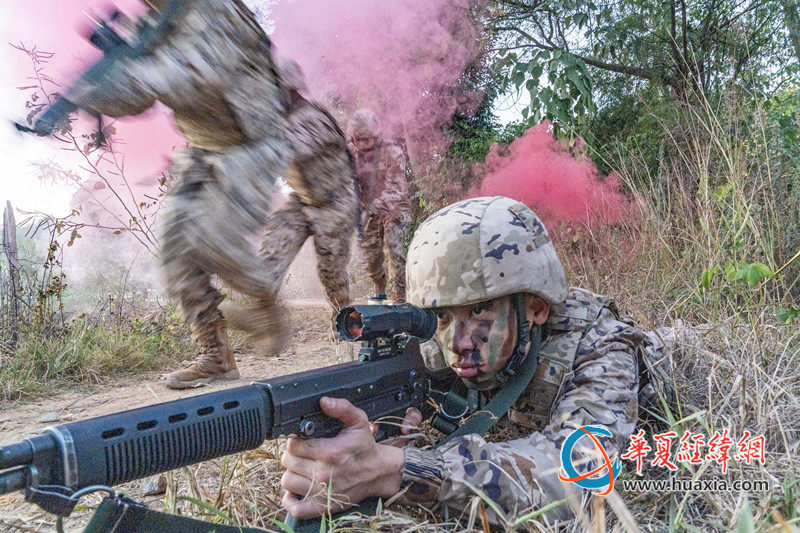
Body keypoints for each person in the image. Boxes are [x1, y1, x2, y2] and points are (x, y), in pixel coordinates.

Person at [280, 196, 663, 524]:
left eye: (480, 312)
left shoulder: (600, 345)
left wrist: (397, 470)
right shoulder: (442, 340)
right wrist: (387, 424)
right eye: (442, 316)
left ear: (536, 308)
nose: (457, 344)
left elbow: (579, 475)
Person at [49, 0, 292, 389]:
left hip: (252, 145)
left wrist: (127, 74)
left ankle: (265, 303)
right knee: (175, 250)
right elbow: (138, 100)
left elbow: (195, 74)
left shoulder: (216, 9)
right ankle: (216, 356)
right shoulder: (157, 19)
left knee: (210, 239)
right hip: (204, 146)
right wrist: (93, 89)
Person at [223, 58, 357, 337]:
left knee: (331, 271)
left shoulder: (312, 119)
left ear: (290, 89)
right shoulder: (280, 120)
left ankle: (344, 322)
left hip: (335, 202)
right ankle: (262, 315)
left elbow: (280, 153)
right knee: (273, 248)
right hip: (303, 199)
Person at [346, 109, 412, 303]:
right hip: (367, 212)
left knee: (393, 247)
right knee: (370, 260)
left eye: (368, 140)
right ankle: (379, 286)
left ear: (377, 136)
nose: (363, 145)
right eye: (359, 140)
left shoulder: (393, 152)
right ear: (353, 138)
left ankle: (399, 297)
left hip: (395, 207)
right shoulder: (349, 154)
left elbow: (397, 190)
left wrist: (371, 209)